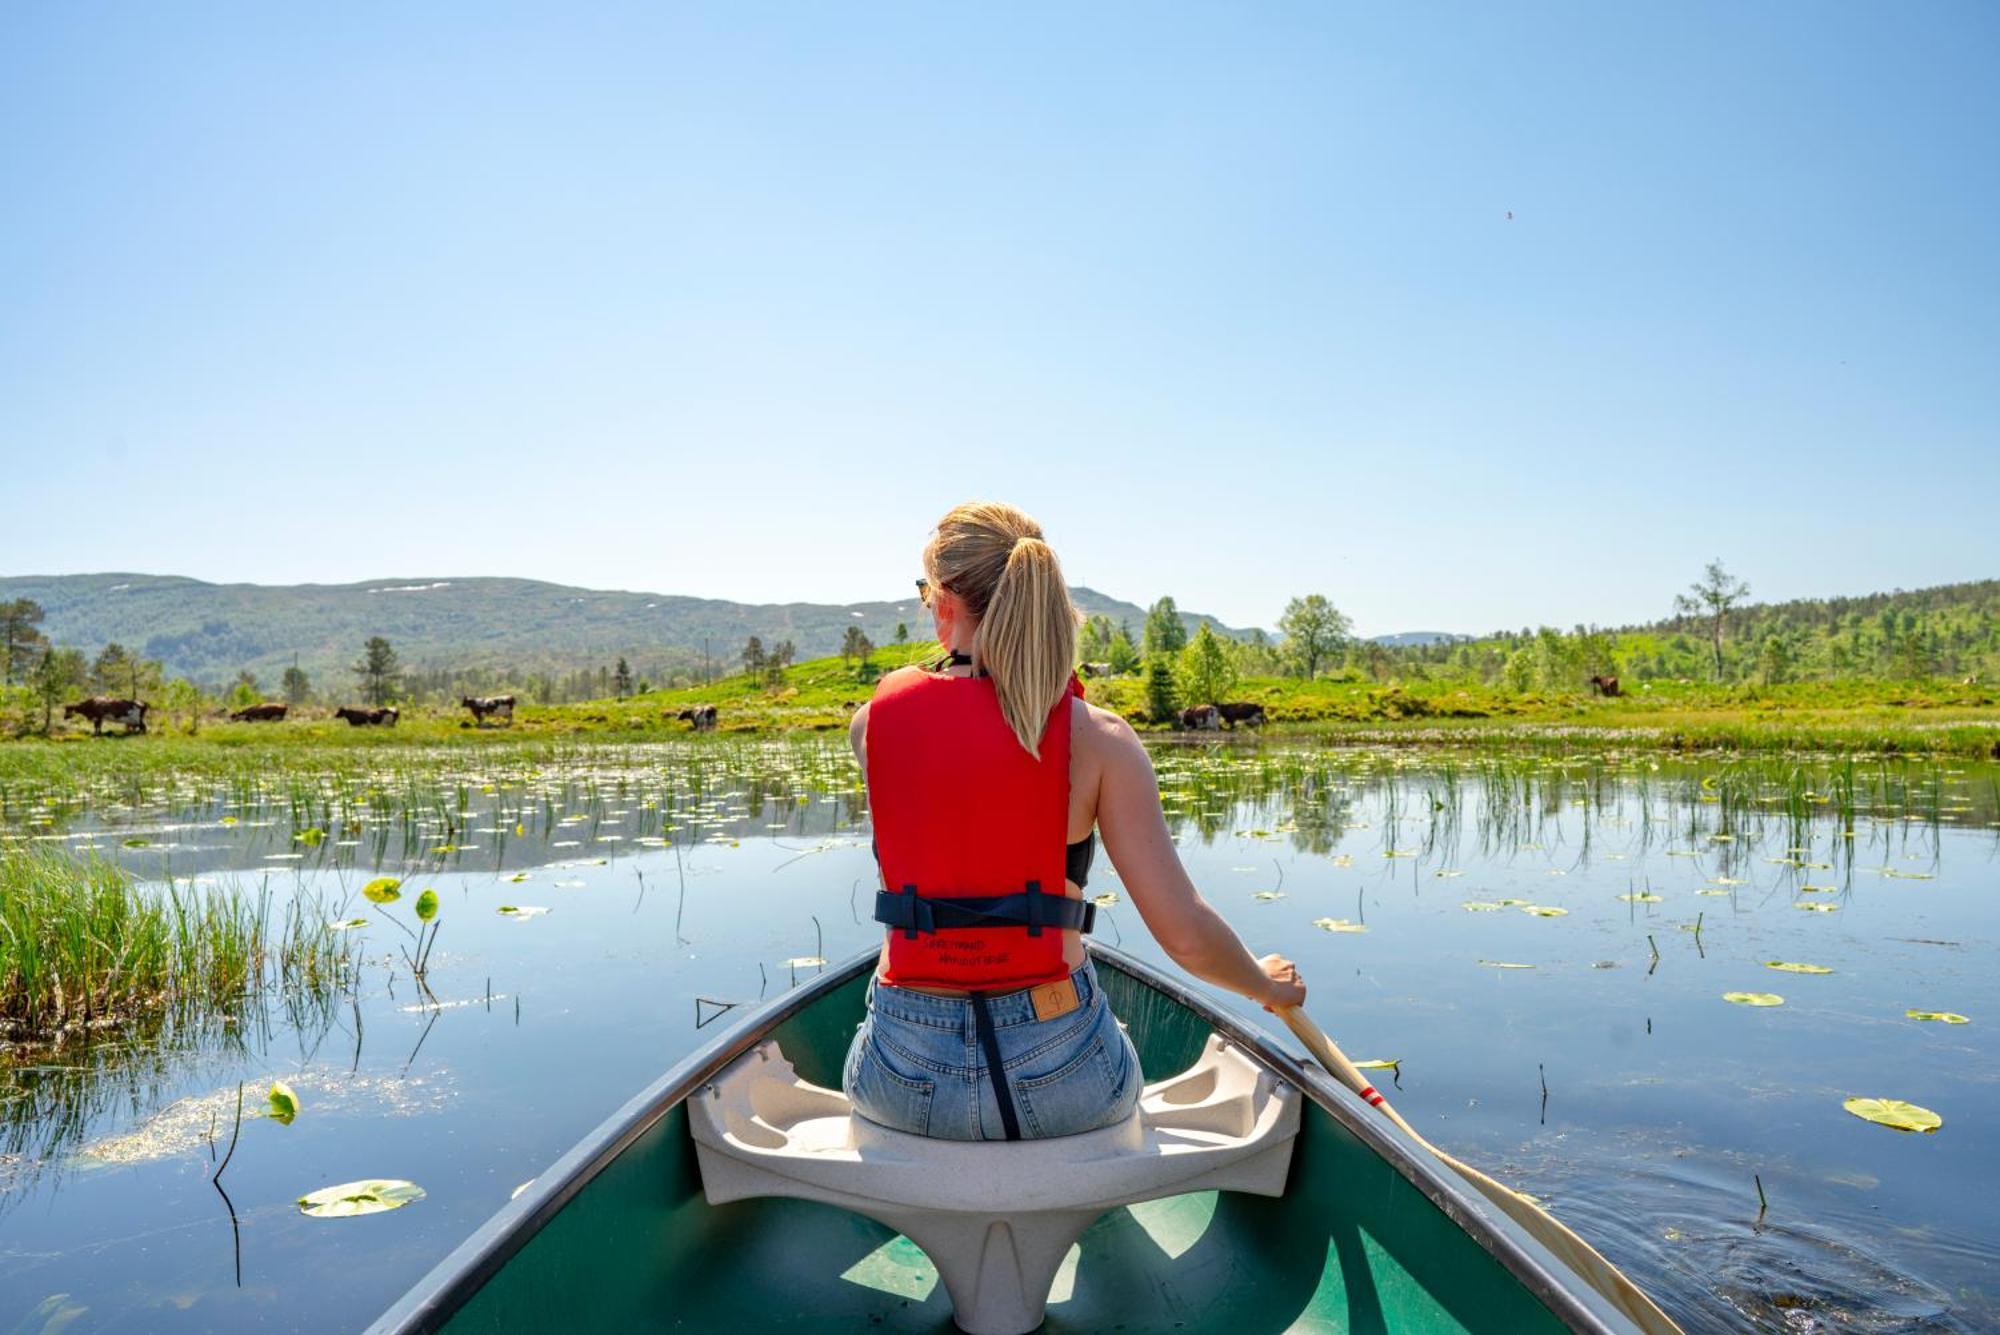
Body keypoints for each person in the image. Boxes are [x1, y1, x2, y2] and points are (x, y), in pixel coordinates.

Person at [843, 500, 1306, 1142]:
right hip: (1062, 1072)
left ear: (946, 603)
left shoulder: (872, 727)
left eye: (927, 594)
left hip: (903, 1075)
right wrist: (1266, 985)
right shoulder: (1102, 741)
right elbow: (1187, 938)